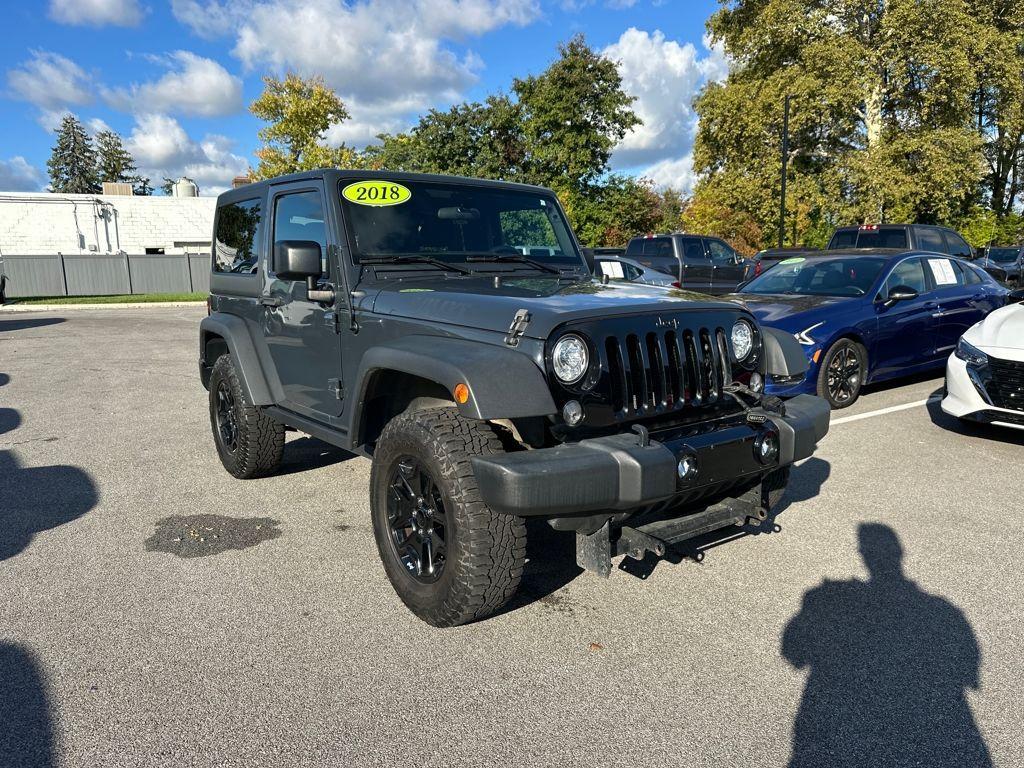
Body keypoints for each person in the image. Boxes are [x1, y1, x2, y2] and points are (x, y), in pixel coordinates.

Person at [782, 523, 991, 767]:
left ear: (862, 554)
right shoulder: (945, 611)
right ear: (900, 553)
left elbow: (793, 653)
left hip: (830, 721)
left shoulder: (825, 598)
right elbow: (969, 674)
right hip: (943, 720)